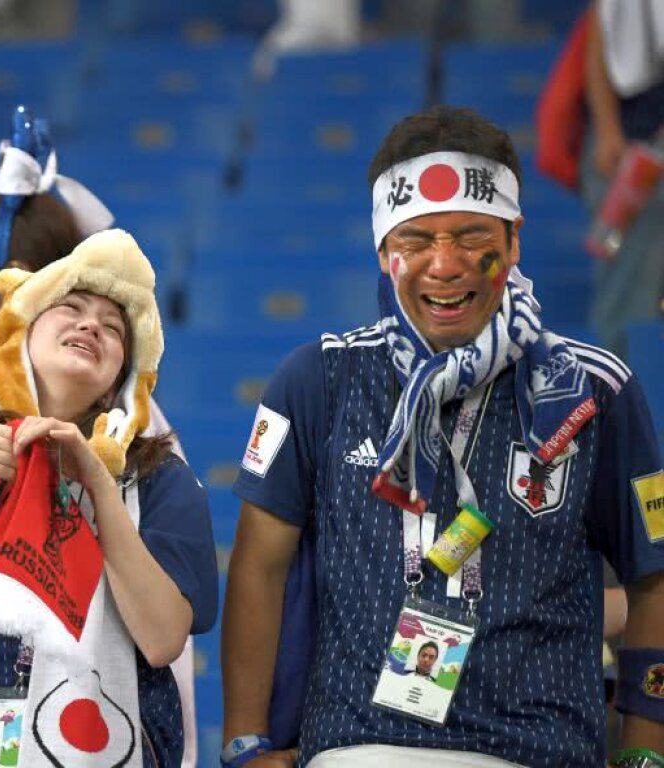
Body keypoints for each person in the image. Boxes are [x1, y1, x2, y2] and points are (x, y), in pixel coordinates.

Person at [221, 105, 664, 768]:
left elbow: (652, 578)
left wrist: (644, 753)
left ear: (513, 241)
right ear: (382, 251)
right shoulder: (320, 379)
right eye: (416, 240)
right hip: (357, 746)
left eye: (470, 236)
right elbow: (258, 566)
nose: (445, 264)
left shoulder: (594, 389)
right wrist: (246, 741)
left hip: (541, 750)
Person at [0, 106, 203, 765]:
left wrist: (101, 491)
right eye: (70, 309)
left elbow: (164, 638)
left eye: (114, 327)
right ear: (19, 329)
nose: (91, 327)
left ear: (126, 371)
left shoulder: (160, 475)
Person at [581, 0, 664, 355]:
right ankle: (616, 399)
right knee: (628, 295)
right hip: (633, 156)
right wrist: (607, 131)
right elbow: (601, 37)